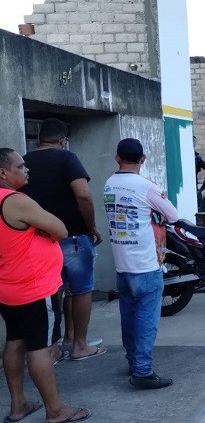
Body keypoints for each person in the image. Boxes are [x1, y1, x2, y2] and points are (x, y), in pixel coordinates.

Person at [0, 148, 92, 423]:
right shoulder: (16, 201)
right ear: (3, 173)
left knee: (14, 340)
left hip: (7, 286)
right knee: (39, 346)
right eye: (20, 166)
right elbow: (61, 229)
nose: (26, 169)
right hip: (33, 287)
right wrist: (42, 230)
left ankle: (18, 405)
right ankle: (55, 410)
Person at [21, 118, 105, 361]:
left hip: (39, 241)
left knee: (52, 292)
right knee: (81, 290)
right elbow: (83, 195)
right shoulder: (67, 158)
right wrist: (91, 227)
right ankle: (79, 345)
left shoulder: (23, 162)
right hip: (74, 237)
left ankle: (54, 347)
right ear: (62, 140)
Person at [104, 138, 178, 389]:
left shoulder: (109, 184)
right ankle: (143, 372)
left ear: (117, 158)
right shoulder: (146, 186)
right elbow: (173, 215)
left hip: (122, 266)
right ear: (143, 159)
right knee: (146, 320)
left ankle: (132, 360)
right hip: (146, 265)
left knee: (129, 316)